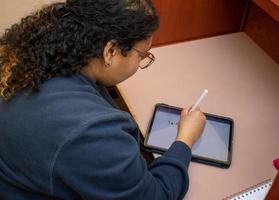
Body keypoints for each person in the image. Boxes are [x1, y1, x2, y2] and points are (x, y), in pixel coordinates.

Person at [0, 0, 206, 199]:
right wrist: (184, 140)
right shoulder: (94, 132)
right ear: (110, 51)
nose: (139, 64)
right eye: (142, 56)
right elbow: (155, 195)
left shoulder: (35, 60)